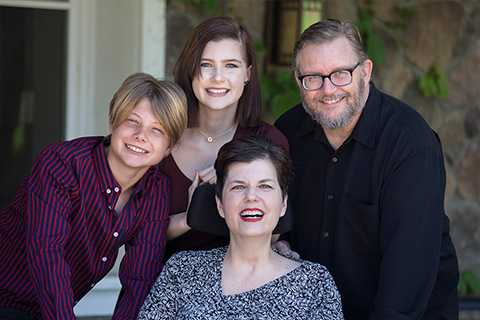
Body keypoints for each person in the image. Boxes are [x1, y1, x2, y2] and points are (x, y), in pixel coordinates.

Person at [273, 19, 459, 319]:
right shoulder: (287, 134)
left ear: (365, 72)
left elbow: (405, 282)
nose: (327, 89)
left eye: (340, 74)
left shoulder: (410, 146)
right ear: (298, 81)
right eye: (313, 77)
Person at [0, 72, 188, 320]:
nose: (141, 135)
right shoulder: (62, 164)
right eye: (132, 121)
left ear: (170, 147)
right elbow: (47, 252)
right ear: (112, 122)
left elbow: (140, 276)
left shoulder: (156, 190)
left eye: (157, 129)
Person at [137, 135, 344, 319]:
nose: (251, 196)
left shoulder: (315, 283)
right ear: (219, 204)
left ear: (283, 204)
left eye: (265, 186)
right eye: (238, 187)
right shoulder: (181, 270)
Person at [159, 16, 289, 260]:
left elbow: (273, 234)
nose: (218, 77)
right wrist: (192, 214)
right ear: (191, 70)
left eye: (231, 65)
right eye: (206, 64)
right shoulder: (162, 136)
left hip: (241, 287)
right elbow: (136, 230)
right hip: (161, 284)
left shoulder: (269, 140)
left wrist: (236, 184)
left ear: (247, 74)